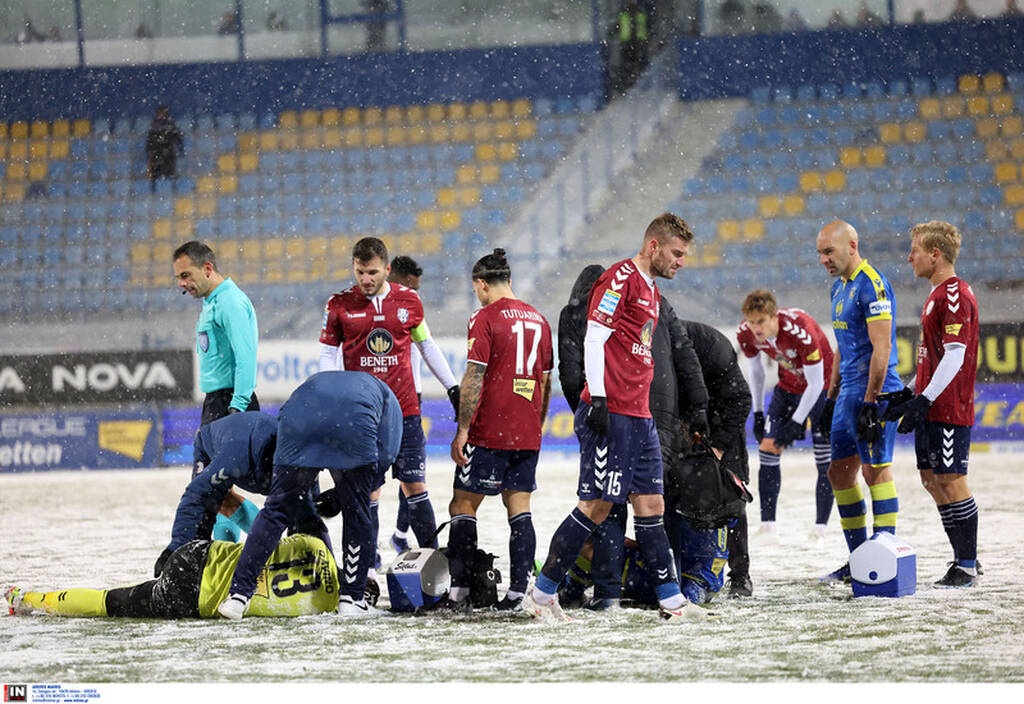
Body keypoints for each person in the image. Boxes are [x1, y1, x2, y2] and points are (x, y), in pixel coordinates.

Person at [523, 212, 705, 623]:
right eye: (677, 253)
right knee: (596, 506)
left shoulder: (652, 291)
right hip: (613, 412)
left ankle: (672, 602)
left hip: (639, 417)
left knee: (651, 505)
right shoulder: (620, 277)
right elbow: (594, 335)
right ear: (654, 246)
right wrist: (600, 399)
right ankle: (542, 593)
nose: (681, 261)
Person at [557, 264, 710, 610]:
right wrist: (696, 405)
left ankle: (609, 593)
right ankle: (672, 589)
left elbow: (571, 374)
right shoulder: (656, 299)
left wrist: (589, 415)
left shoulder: (579, 311)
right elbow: (684, 354)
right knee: (655, 503)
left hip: (617, 412)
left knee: (606, 507)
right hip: (660, 415)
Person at [217, 370, 402, 619]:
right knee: (357, 512)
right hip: (352, 422)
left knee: (277, 510)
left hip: (299, 418)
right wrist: (343, 496)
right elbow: (385, 457)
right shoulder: (390, 402)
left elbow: (284, 414)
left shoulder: (327, 382)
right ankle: (351, 598)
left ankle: (239, 595)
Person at [318, 237, 460, 559]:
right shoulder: (338, 305)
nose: (365, 280)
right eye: (359, 272)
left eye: (372, 272)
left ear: (387, 268)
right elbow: (327, 353)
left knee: (414, 486)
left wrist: (452, 387)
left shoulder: (409, 301)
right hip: (363, 416)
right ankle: (367, 567)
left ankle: (431, 563)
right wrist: (328, 392)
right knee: (369, 490)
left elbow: (426, 345)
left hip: (406, 412)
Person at [442, 248, 554, 613]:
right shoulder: (540, 319)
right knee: (519, 507)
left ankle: (459, 592)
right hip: (527, 430)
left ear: (481, 284)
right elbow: (544, 381)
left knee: (462, 503)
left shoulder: (484, 317)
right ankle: (519, 592)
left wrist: (462, 430)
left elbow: (474, 375)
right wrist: (536, 425)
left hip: (491, 429)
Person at [880, 221, 981, 588]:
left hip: (948, 408)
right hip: (932, 404)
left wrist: (923, 401)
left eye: (915, 251)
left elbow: (955, 355)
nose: (909, 258)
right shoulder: (937, 294)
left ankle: (967, 565)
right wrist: (907, 396)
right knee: (931, 480)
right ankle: (964, 556)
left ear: (935, 254)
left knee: (952, 481)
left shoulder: (954, 294)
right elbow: (932, 359)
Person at [814, 220, 904, 582]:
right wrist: (830, 396)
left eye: (828, 251)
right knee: (839, 472)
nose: (823, 259)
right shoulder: (839, 288)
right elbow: (842, 343)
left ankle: (884, 557)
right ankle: (859, 559)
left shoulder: (873, 284)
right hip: (848, 392)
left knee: (875, 471)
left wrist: (870, 401)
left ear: (852, 245)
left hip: (874, 391)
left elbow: (881, 348)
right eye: (820, 253)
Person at [152, 412, 326, 579]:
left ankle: (266, 544)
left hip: (250, 441)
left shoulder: (299, 459)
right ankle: (202, 563)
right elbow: (196, 495)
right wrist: (177, 546)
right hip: (214, 445)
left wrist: (307, 551)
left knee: (297, 505)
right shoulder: (234, 456)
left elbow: (308, 509)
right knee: (212, 505)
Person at [7, 534, 339, 619]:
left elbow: (265, 531)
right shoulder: (323, 608)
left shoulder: (312, 547)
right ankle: (31, 600)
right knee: (110, 602)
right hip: (194, 601)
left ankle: (27, 597)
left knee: (110, 599)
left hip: (198, 555)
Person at [173, 240, 260, 543]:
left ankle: (268, 538)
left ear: (207, 268)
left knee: (208, 487)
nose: (183, 284)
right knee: (219, 489)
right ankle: (228, 548)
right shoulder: (212, 302)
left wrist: (237, 408)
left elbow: (246, 357)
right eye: (178, 278)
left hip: (230, 403)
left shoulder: (230, 302)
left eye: (186, 275)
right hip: (217, 402)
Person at [737, 289, 835, 546]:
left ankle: (820, 528)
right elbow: (757, 371)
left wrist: (796, 422)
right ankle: (768, 526)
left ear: (773, 317)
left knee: (824, 459)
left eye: (760, 322)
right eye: (751, 321)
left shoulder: (799, 331)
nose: (755, 328)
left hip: (822, 390)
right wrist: (758, 412)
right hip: (787, 387)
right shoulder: (746, 333)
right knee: (768, 448)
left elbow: (816, 383)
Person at [676, 318, 753, 598]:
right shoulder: (656, 345)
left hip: (723, 419)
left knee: (731, 497)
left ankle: (740, 575)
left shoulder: (713, 346)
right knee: (679, 493)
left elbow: (741, 399)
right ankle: (686, 566)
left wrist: (718, 446)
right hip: (685, 421)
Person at [385, 255, 425, 555]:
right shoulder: (384, 312)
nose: (415, 294)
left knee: (411, 478)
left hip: (412, 398)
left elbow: (428, 347)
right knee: (372, 483)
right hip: (384, 403)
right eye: (410, 287)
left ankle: (400, 534)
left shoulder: (411, 309)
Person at [614, 0, 650, 94]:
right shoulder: (624, 12)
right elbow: (618, 27)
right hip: (628, 44)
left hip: (637, 44)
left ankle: (636, 86)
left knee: (637, 65)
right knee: (627, 66)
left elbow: (647, 26)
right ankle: (627, 87)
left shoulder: (640, 12)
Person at [145, 104, 184, 192]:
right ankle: (155, 191)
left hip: (168, 153)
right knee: (156, 173)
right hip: (157, 154)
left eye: (164, 113)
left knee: (169, 172)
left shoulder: (171, 124)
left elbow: (177, 137)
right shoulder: (154, 125)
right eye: (160, 113)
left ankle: (171, 190)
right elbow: (150, 141)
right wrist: (149, 152)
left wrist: (180, 148)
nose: (162, 115)